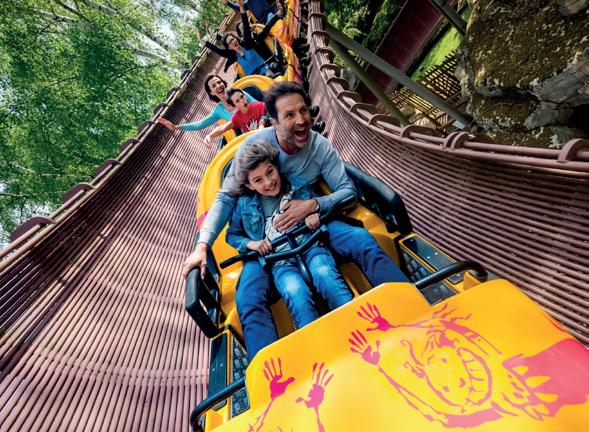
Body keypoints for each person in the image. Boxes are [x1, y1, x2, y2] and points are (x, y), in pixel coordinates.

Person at [181, 81, 409, 360]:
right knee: (248, 299)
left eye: (303, 111)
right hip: (267, 244)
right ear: (274, 121)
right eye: (290, 115)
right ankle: (274, 369)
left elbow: (347, 191)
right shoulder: (254, 150)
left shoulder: (319, 147)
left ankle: (405, 305)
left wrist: (314, 204)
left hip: (312, 223)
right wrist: (203, 245)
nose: (301, 120)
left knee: (362, 240)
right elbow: (226, 199)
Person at [226, 141, 354, 328]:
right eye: (258, 180)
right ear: (250, 185)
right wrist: (252, 244)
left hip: (310, 245)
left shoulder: (296, 185)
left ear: (276, 167)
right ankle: (314, 338)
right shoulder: (244, 204)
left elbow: (315, 202)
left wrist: (314, 214)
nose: (268, 182)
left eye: (270, 172)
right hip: (280, 260)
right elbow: (232, 236)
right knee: (296, 292)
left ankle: (355, 322)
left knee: (325, 274)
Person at [156, 75, 256, 136]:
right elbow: (199, 124)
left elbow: (258, 105)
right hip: (250, 135)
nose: (218, 86)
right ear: (212, 93)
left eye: (219, 82)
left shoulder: (239, 93)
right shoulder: (219, 110)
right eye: (214, 86)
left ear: (224, 83)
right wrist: (175, 127)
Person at [204, 0, 283, 77]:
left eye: (246, 27)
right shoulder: (237, 51)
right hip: (255, 79)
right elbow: (223, 43)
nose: (247, 28)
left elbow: (266, 27)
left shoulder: (253, 39)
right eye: (243, 29)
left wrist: (278, 14)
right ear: (240, 35)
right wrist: (208, 38)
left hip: (267, 68)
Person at [204, 88, 269, 146]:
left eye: (242, 97)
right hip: (255, 144)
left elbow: (270, 111)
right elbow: (223, 127)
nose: (242, 100)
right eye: (237, 101)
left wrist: (262, 123)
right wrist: (210, 136)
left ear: (245, 97)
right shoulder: (238, 117)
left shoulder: (259, 106)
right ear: (234, 106)